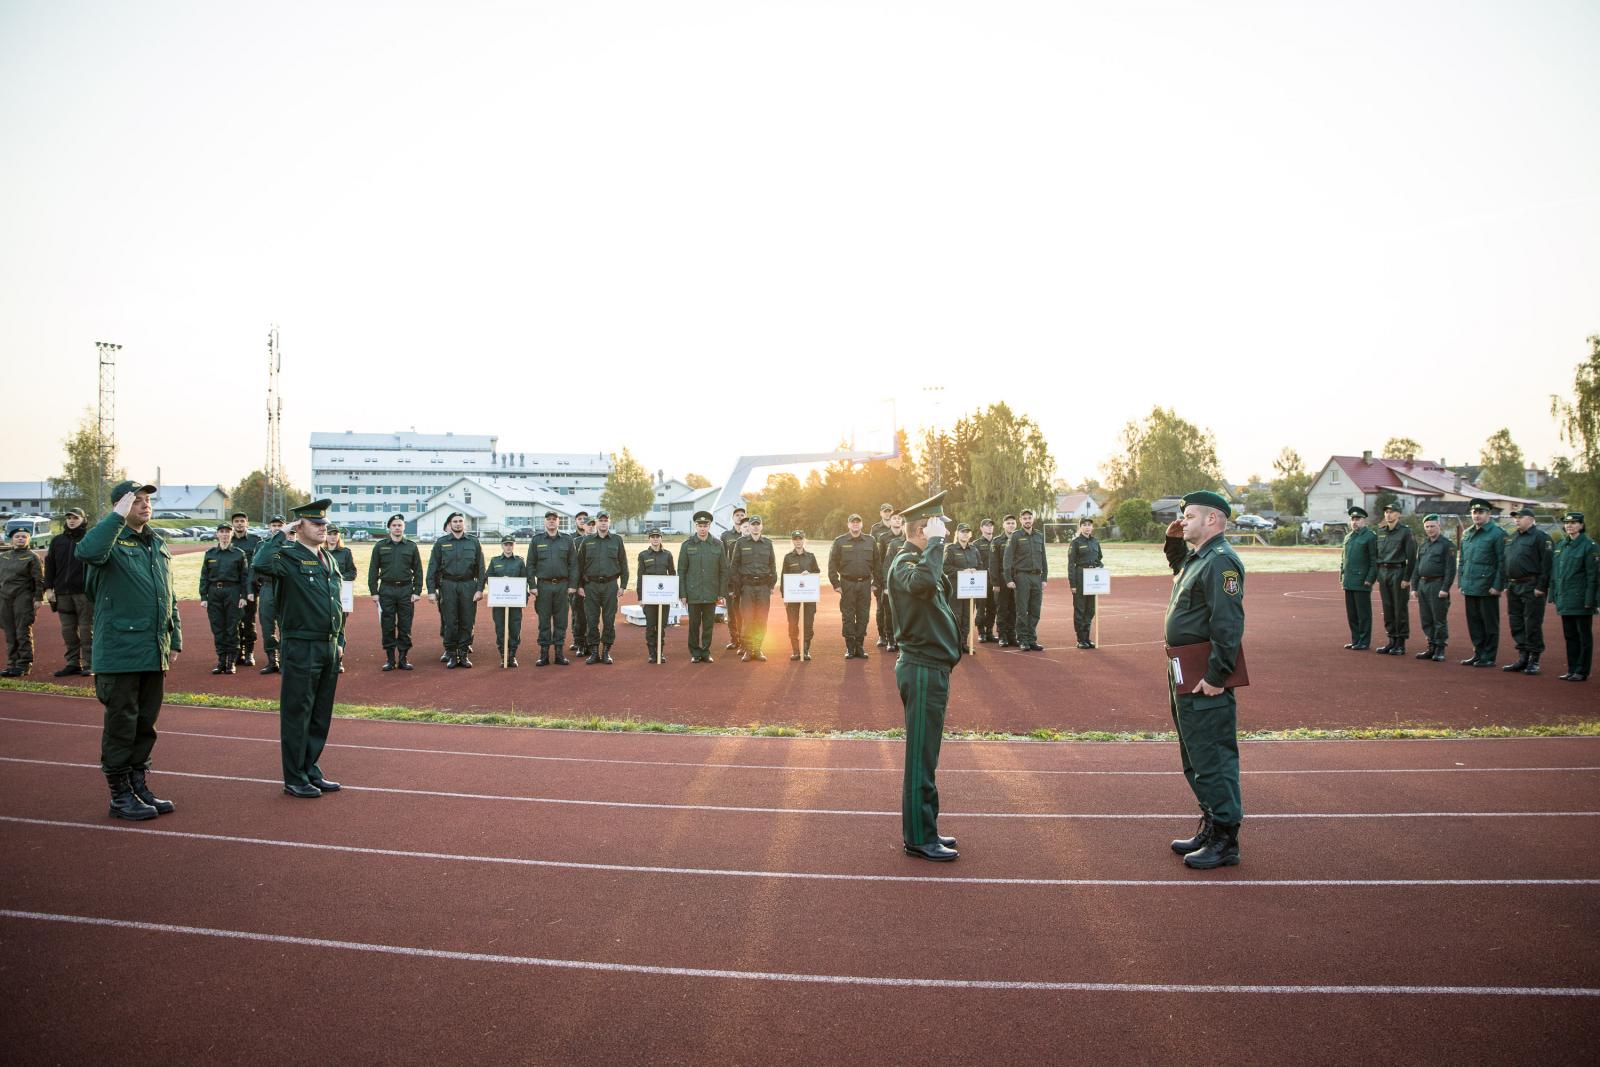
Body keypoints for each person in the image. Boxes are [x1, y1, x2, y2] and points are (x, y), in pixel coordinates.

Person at [75, 479, 181, 820]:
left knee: (145, 725)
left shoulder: (156, 542)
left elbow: (168, 596)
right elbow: (87, 552)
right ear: (120, 506)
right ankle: (119, 795)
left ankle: (138, 784)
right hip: (120, 650)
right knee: (122, 723)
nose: (145, 504)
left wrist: (173, 636)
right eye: (136, 500)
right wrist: (116, 517)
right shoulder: (108, 542)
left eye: (148, 499)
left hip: (153, 649)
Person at [1162, 490, 1247, 870]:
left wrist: (1216, 676)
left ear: (1213, 520)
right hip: (1183, 668)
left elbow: (1228, 626)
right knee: (1194, 753)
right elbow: (1181, 570)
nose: (1184, 522)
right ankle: (1212, 823)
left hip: (1203, 673)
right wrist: (1172, 542)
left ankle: (1226, 838)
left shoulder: (1221, 562)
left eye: (1190, 516)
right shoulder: (1199, 559)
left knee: (1212, 755)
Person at [886, 491, 961, 862]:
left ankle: (925, 826)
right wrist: (934, 546)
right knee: (920, 758)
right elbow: (922, 585)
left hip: (933, 668)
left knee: (927, 756)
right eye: (938, 530)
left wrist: (932, 549)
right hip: (920, 669)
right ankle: (918, 836)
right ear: (922, 531)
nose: (944, 537)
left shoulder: (919, 560)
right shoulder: (904, 562)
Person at [252, 499, 344, 798]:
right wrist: (282, 535)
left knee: (320, 713)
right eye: (316, 523)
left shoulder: (327, 559)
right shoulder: (287, 556)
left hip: (327, 645)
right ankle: (294, 776)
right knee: (297, 712)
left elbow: (336, 603)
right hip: (301, 644)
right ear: (299, 526)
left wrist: (340, 640)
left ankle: (310, 768)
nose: (322, 528)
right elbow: (260, 564)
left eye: (324, 524)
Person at [427, 512, 485, 668]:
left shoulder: (473, 542)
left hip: (468, 585)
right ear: (450, 524)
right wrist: (431, 590)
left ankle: (464, 654)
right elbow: (432, 567)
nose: (458, 524)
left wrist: (480, 589)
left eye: (460, 521)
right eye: (455, 521)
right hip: (448, 585)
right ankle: (452, 654)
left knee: (467, 620)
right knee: (450, 621)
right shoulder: (441, 543)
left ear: (464, 524)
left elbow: (480, 567)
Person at [1502, 506, 1554, 675]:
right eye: (1515, 517)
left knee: (1532, 623)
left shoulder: (1541, 538)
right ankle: (1522, 656)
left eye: (1520, 517)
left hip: (1531, 586)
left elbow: (1547, 565)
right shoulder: (1512, 538)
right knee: (1516, 622)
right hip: (1514, 586)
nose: (1516, 520)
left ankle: (1534, 659)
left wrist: (1541, 587)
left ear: (1531, 519)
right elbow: (1506, 561)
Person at [368, 514, 423, 671]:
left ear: (404, 527)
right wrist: (374, 591)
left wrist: (417, 591)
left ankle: (403, 659)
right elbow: (373, 569)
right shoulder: (380, 546)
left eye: (400, 525)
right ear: (389, 528)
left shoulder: (411, 546)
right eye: (394, 525)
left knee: (405, 625)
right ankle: (390, 660)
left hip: (406, 590)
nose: (397, 528)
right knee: (388, 625)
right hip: (386, 590)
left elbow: (418, 570)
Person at [43, 507, 93, 676]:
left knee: (87, 630)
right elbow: (50, 565)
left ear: (83, 520)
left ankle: (89, 664)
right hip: (62, 593)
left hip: (84, 593)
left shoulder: (90, 538)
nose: (71, 520)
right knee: (68, 631)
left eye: (75, 518)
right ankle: (73, 663)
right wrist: (48, 588)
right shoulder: (57, 541)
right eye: (69, 518)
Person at [1458, 499, 1507, 667]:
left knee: (1489, 623)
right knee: (1474, 623)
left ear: (1488, 514)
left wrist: (1498, 585)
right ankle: (1478, 653)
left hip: (1487, 586)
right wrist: (1461, 582)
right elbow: (1463, 561)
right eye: (1474, 512)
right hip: (1470, 585)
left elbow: (1502, 562)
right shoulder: (1467, 533)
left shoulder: (1497, 534)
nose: (1476, 515)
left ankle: (1489, 656)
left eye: (1480, 512)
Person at [577, 511, 628, 665]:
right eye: (601, 520)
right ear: (596, 523)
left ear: (609, 522)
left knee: (609, 620)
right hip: (591, 586)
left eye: (606, 520)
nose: (603, 523)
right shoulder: (587, 541)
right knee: (591, 620)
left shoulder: (617, 540)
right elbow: (579, 566)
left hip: (610, 585)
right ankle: (593, 652)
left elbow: (624, 564)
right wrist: (579, 585)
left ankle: (606, 651)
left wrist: (623, 585)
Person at [1551, 511, 1597, 682]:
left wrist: (1590, 600)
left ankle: (1582, 670)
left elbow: (1593, 576)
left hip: (1581, 598)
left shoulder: (1589, 545)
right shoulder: (1562, 544)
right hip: (1566, 597)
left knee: (1583, 636)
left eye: (1574, 522)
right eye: (1567, 523)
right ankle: (1572, 668)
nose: (1569, 525)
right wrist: (1554, 594)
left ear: (1581, 525)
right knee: (1570, 636)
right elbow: (1556, 573)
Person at [199, 523, 250, 675]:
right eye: (221, 532)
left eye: (227, 532)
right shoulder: (210, 554)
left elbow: (244, 577)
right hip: (214, 593)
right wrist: (204, 596)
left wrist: (243, 596)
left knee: (232, 627)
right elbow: (204, 576)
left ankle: (231, 662)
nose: (224, 535)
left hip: (233, 592)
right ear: (217, 535)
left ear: (231, 534)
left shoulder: (238, 554)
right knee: (218, 627)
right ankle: (221, 661)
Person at [678, 510, 728, 663]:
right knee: (693, 625)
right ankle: (695, 652)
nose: (702, 528)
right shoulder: (687, 545)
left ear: (709, 526)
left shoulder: (718, 545)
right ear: (695, 526)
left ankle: (705, 652)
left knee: (708, 625)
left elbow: (723, 570)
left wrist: (721, 593)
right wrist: (683, 594)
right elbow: (681, 571)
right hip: (693, 593)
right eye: (699, 525)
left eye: (705, 525)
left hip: (711, 592)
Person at [529, 511, 577, 666]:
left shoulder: (567, 540)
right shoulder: (537, 540)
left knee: (561, 621)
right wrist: (532, 585)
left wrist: (572, 585)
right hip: (543, 586)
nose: (551, 522)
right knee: (544, 621)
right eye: (548, 519)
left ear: (558, 522)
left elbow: (574, 565)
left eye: (554, 520)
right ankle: (543, 654)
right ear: (545, 522)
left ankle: (558, 653)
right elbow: (530, 564)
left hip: (562, 586)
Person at [829, 513, 876, 660]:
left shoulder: (870, 541)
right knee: (848, 616)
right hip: (847, 584)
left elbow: (877, 564)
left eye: (858, 522)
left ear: (862, 524)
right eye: (852, 522)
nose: (855, 524)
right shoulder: (840, 541)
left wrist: (876, 583)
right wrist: (835, 584)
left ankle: (859, 646)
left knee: (863, 616)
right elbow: (832, 564)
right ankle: (850, 647)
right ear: (848, 525)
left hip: (865, 584)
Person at [729, 516, 777, 661]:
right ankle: (748, 650)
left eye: (758, 524)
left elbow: (772, 565)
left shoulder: (768, 543)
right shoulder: (741, 543)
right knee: (748, 619)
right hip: (747, 587)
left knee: (761, 619)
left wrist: (771, 584)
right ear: (748, 527)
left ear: (762, 526)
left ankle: (758, 648)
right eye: (753, 524)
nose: (755, 527)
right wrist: (739, 586)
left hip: (763, 587)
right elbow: (734, 566)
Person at [1372, 503, 1417, 656]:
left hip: (1398, 571)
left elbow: (1412, 557)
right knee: (1387, 607)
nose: (1388, 515)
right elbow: (1377, 554)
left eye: (1391, 512)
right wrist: (1379, 573)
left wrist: (1407, 578)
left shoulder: (1405, 532)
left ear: (1398, 514)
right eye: (1386, 512)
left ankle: (1400, 642)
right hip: (1383, 571)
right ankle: (1391, 640)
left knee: (1399, 608)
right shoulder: (1381, 531)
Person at [1409, 515, 1456, 662]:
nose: (1429, 529)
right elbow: (1417, 567)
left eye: (1432, 526)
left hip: (1437, 585)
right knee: (1426, 618)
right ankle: (1431, 646)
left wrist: (1445, 588)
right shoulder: (1423, 545)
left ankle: (1440, 648)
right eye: (1427, 527)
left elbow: (1450, 569)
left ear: (1439, 526)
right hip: (1423, 585)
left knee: (1439, 619)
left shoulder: (1447, 545)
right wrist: (1414, 587)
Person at [0, 526, 45, 677]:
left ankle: (23, 664)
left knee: (22, 631)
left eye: (24, 536)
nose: (20, 539)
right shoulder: (4, 556)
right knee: (9, 631)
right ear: (11, 539)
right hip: (4, 597)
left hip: (23, 597)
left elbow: (39, 579)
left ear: (28, 539)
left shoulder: (32, 557)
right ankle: (12, 663)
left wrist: (39, 598)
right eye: (17, 536)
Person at [1003, 507, 1048, 651]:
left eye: (1029, 518)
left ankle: (1031, 639)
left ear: (1032, 519)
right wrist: (1008, 578)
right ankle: (1022, 639)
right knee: (1022, 610)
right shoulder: (1015, 536)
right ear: (1020, 520)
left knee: (1035, 610)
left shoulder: (1039, 535)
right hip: (1021, 576)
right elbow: (1007, 558)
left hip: (1036, 577)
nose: (1027, 520)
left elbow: (1044, 558)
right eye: (1024, 518)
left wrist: (1044, 577)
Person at [481, 535, 529, 667]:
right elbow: (488, 576)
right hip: (499, 601)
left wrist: (523, 599)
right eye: (506, 544)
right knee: (501, 628)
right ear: (502, 546)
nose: (508, 547)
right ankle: (503, 656)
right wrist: (500, 581)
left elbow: (525, 580)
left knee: (514, 628)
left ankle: (512, 656)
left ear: (514, 546)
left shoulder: (519, 562)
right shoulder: (495, 561)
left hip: (515, 601)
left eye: (511, 544)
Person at [227, 512, 263, 666]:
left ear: (247, 523)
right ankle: (238, 652)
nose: (239, 524)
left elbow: (259, 564)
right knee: (235, 621)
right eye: (236, 521)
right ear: (233, 524)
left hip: (250, 588)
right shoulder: (228, 541)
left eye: (242, 521)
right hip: (233, 588)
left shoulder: (256, 541)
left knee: (249, 621)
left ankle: (249, 653)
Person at [635, 528, 676, 664]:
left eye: (657, 536)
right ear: (649, 539)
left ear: (661, 538)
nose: (655, 539)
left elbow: (672, 574)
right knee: (651, 626)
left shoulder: (668, 555)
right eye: (652, 537)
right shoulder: (643, 555)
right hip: (649, 597)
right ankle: (652, 654)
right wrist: (640, 597)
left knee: (661, 626)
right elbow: (640, 576)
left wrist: (673, 595)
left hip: (664, 597)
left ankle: (660, 652)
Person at [1339, 507, 1377, 650]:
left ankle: (1364, 641)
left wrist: (1370, 579)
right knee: (1352, 614)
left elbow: (1374, 560)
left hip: (1362, 581)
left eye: (1358, 519)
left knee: (1363, 614)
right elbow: (1344, 559)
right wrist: (1342, 577)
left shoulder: (1370, 536)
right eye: (1352, 519)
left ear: (1364, 521)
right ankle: (1355, 640)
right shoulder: (1348, 537)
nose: (1354, 522)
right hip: (1349, 581)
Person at [941, 522, 982, 654]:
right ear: (957, 534)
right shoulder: (951, 549)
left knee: (968, 616)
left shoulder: (974, 550)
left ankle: (964, 643)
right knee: (956, 616)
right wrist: (962, 571)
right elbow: (945, 567)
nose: (965, 534)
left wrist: (975, 571)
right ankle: (954, 644)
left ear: (970, 535)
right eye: (962, 532)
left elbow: (980, 566)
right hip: (956, 587)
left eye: (967, 532)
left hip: (971, 588)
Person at [780, 530, 820, 661]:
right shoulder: (788, 557)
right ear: (792, 541)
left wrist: (810, 574)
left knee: (808, 624)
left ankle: (805, 650)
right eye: (795, 539)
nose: (798, 541)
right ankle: (796, 651)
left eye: (800, 539)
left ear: (804, 540)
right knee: (793, 624)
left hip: (808, 597)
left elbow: (817, 573)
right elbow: (783, 577)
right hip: (792, 597)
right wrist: (784, 596)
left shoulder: (811, 556)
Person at [325, 525, 358, 673]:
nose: (332, 537)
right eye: (330, 534)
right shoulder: (319, 552)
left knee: (339, 628)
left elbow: (352, 572)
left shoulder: (345, 553)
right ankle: (326, 659)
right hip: (323, 595)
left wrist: (337, 579)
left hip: (341, 595)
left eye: (335, 534)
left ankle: (338, 660)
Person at [1067, 517, 1103, 650]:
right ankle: (1080, 639)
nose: (1087, 527)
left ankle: (1087, 637)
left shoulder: (1095, 541)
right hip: (1080, 576)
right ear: (1080, 527)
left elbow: (1099, 558)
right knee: (1080, 609)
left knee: (1090, 609)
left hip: (1092, 578)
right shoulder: (1075, 543)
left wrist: (1099, 567)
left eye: (1089, 525)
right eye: (1085, 525)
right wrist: (1073, 584)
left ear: (1092, 527)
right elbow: (1071, 564)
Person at [257, 516, 286, 674]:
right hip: (267, 587)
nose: (276, 528)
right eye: (274, 525)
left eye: (279, 525)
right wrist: (250, 591)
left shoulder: (290, 546)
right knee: (267, 625)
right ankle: (272, 660)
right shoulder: (262, 545)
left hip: (284, 587)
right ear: (269, 527)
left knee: (285, 625)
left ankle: (283, 660)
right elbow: (254, 569)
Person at [876, 513, 907, 652]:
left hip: (907, 585)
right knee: (888, 612)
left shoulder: (914, 542)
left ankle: (902, 639)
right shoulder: (891, 542)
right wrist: (885, 584)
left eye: (901, 519)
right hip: (891, 583)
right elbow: (884, 563)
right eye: (895, 518)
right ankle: (889, 639)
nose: (898, 521)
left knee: (904, 613)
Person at [869, 503, 896, 649]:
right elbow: (873, 551)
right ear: (881, 513)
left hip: (894, 574)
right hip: (879, 573)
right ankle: (882, 635)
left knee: (894, 607)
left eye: (889, 511)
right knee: (881, 607)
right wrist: (874, 575)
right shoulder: (875, 529)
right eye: (885, 511)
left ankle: (894, 635)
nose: (887, 514)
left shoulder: (898, 529)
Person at [721, 507, 748, 653]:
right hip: (731, 580)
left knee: (744, 612)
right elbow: (723, 559)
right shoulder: (726, 536)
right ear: (733, 518)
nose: (739, 517)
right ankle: (734, 640)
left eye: (742, 515)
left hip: (745, 581)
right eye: (737, 515)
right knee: (732, 613)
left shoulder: (749, 533)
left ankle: (745, 641)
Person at [990, 515, 1018, 647]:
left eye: (1013, 523)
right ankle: (1002, 635)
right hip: (1002, 578)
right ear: (1003, 525)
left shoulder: (1019, 538)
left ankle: (1012, 635)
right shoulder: (997, 541)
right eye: (1008, 523)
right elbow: (993, 563)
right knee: (1002, 607)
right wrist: (995, 583)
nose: (1011, 525)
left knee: (1015, 608)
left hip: (1017, 577)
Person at [568, 512, 592, 657]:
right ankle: (579, 642)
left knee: (590, 615)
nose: (583, 522)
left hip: (592, 583)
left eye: (586, 520)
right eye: (580, 519)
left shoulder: (596, 539)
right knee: (578, 614)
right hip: (578, 583)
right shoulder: (573, 540)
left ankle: (590, 642)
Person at [973, 518, 998, 643]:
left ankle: (989, 632)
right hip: (981, 580)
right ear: (981, 528)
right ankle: (981, 632)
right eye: (986, 526)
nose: (989, 528)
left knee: (993, 607)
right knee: (981, 608)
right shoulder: (976, 544)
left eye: (991, 525)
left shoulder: (997, 542)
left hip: (995, 581)